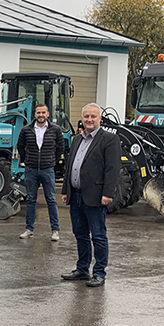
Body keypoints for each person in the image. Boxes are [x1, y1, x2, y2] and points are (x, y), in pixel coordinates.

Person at [60, 103, 121, 288]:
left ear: (100, 119)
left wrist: (108, 193)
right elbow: (70, 165)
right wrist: (65, 190)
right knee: (80, 234)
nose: (89, 120)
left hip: (95, 196)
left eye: (93, 116)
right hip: (76, 195)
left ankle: (100, 273)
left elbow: (112, 169)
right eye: (86, 116)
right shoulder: (77, 139)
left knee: (98, 236)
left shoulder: (109, 139)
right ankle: (82, 269)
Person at [16, 103, 65, 241]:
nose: (41, 115)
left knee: (51, 199)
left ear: (48, 114)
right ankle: (29, 229)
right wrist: (28, 161)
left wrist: (51, 161)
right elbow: (21, 147)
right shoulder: (26, 130)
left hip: (47, 169)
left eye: (43, 112)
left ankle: (55, 230)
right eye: (38, 113)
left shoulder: (55, 129)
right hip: (31, 170)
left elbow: (60, 148)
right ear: (35, 114)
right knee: (31, 199)